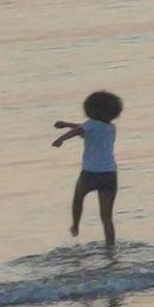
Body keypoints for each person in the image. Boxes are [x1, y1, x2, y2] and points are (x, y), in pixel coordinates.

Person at [52, 90, 125, 252]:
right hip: (109, 175)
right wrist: (66, 124)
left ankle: (76, 226)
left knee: (78, 199)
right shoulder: (111, 127)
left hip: (90, 174)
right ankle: (110, 246)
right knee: (107, 217)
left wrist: (61, 138)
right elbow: (85, 128)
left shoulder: (90, 126)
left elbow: (80, 130)